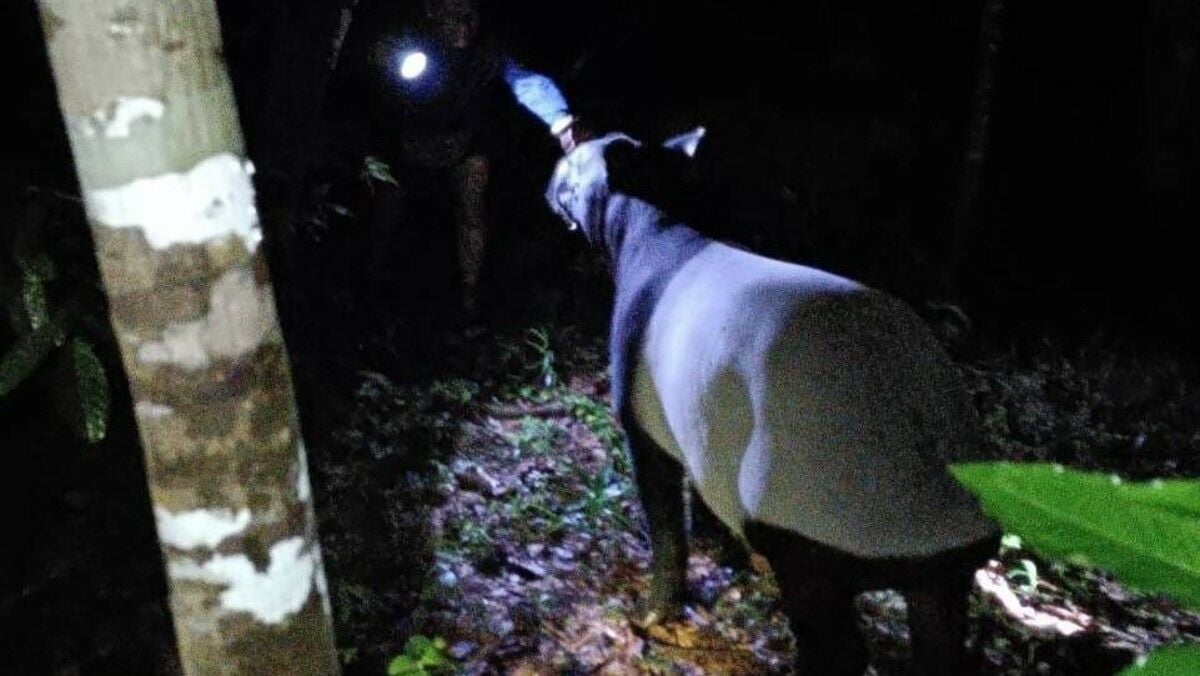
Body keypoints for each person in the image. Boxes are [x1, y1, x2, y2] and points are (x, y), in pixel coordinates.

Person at [328, 0, 585, 320]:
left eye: (469, 16)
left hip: (463, 143)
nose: (463, 26)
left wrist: (560, 120)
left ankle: (470, 297)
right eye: (453, 16)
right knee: (386, 207)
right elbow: (372, 70)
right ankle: (369, 279)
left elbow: (525, 82)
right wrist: (382, 59)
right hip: (408, 144)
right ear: (432, 12)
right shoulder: (409, 41)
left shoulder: (487, 52)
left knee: (472, 208)